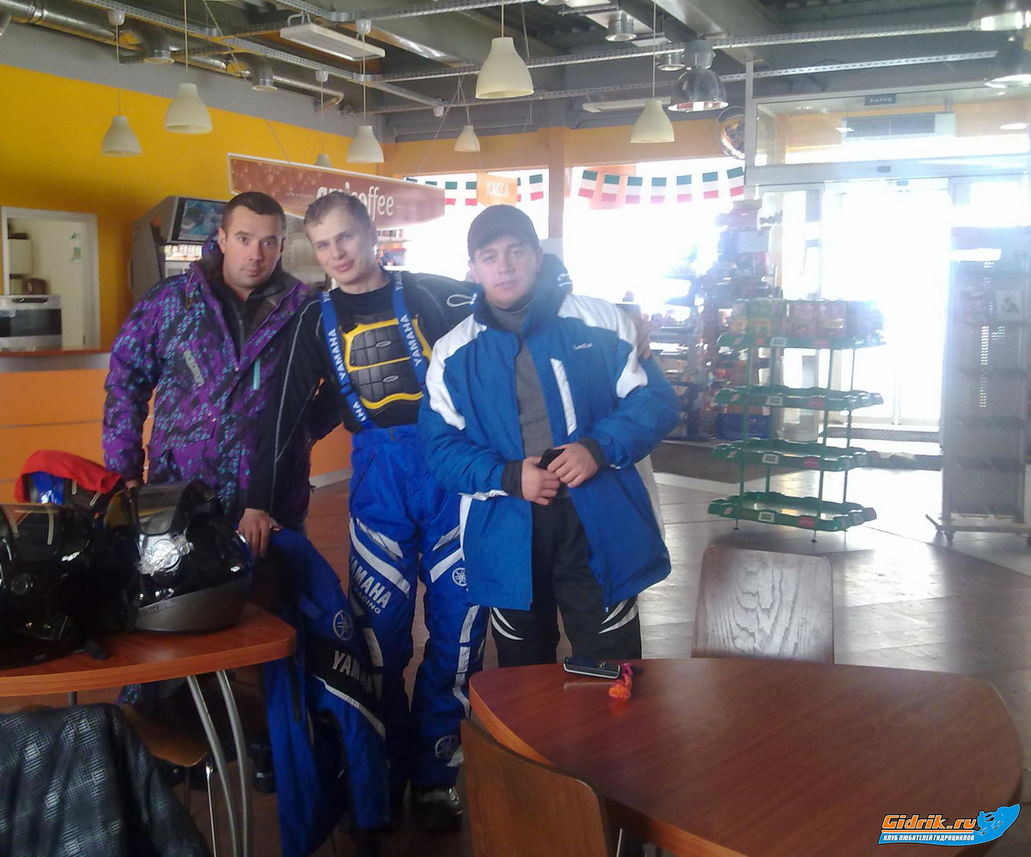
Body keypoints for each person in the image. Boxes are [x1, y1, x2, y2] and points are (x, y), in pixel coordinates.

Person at [239, 191, 485, 832]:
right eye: (323, 245)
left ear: (372, 233)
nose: (337, 254)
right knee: (377, 641)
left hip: (456, 474)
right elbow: (283, 415)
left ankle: (437, 775)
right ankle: (381, 771)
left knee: (460, 634)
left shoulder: (434, 293)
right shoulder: (310, 321)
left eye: (346, 237)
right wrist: (259, 500)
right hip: (379, 485)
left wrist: (618, 320)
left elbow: (514, 293)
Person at [419, 205, 679, 667]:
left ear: (537, 256)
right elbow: (440, 448)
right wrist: (507, 476)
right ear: (473, 268)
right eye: (490, 256)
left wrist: (596, 449)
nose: (504, 266)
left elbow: (655, 402)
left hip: (598, 523)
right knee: (522, 673)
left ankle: (609, 720)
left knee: (610, 667)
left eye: (516, 251)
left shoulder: (603, 323)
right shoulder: (453, 353)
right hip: (506, 527)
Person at [103, 191, 334, 526]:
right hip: (180, 495)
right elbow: (125, 383)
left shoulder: (306, 311)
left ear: (282, 246)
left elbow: (343, 381)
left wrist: (302, 432)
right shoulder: (171, 302)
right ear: (223, 239)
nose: (256, 255)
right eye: (244, 239)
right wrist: (125, 472)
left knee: (276, 564)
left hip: (272, 499)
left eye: (268, 242)